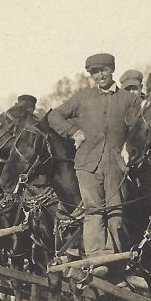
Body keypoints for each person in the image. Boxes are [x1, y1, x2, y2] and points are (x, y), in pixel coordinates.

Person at [48, 53, 141, 269]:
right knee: (93, 210)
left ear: (112, 70)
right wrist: (73, 131)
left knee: (116, 213)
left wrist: (130, 148)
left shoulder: (128, 100)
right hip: (86, 164)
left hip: (115, 164)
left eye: (104, 70)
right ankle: (97, 260)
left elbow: (142, 125)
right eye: (95, 72)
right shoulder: (82, 97)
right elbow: (54, 116)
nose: (100, 76)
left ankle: (116, 260)